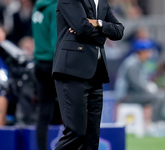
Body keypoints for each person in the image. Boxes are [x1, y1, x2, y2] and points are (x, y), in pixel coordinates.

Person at [52, 0, 124, 149]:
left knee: (92, 136)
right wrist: (102, 36)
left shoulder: (102, 2)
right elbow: (82, 26)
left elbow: (119, 31)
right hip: (72, 71)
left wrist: (98, 23)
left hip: (96, 73)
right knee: (76, 132)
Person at [115, 39, 165, 126]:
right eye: (147, 52)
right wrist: (149, 89)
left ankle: (156, 123)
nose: (149, 54)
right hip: (126, 96)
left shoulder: (140, 63)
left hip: (133, 94)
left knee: (160, 95)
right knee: (158, 97)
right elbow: (136, 84)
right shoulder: (132, 64)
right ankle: (154, 125)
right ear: (141, 52)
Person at [31, 0, 59, 150]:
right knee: (69, 110)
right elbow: (56, 40)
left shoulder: (37, 7)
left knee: (43, 112)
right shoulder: (54, 8)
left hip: (39, 63)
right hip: (53, 63)